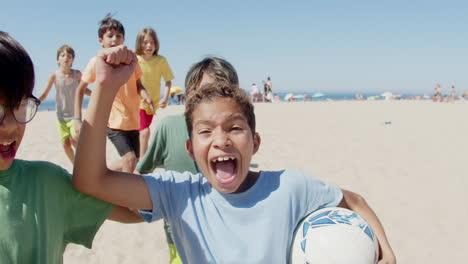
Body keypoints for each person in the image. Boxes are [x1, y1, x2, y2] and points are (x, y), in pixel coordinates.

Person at [73, 46, 396, 263]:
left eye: (234, 128)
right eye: (206, 129)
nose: (221, 140)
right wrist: (104, 87)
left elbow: (355, 202)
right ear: (190, 144)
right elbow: (90, 180)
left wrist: (388, 255)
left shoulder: (290, 188)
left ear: (255, 142)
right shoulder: (178, 193)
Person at [0, 32, 142, 264]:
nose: (10, 127)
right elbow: (49, 92)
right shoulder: (55, 76)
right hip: (62, 116)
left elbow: (136, 212)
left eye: (20, 105)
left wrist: (105, 87)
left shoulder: (47, 183)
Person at [136, 56, 238, 263]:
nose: (214, 102)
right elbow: (142, 171)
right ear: (189, 96)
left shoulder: (237, 134)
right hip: (181, 238)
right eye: (205, 94)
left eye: (223, 93)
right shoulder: (169, 127)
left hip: (226, 235)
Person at [73, 15, 153, 173]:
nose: (115, 39)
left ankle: (104, 173)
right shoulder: (97, 62)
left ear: (124, 39)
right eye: (110, 36)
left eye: (119, 36)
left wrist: (146, 96)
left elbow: (138, 84)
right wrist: (77, 119)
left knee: (133, 160)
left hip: (133, 121)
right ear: (100, 40)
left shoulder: (132, 59)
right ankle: (123, 195)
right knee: (129, 159)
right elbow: (80, 88)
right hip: (113, 123)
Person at [38, 45, 91, 164]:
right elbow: (45, 94)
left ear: (73, 59)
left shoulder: (77, 74)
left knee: (75, 140)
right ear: (58, 59)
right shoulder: (54, 76)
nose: (66, 58)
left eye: (69, 56)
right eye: (63, 55)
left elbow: (84, 89)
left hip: (74, 115)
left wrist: (95, 94)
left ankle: (84, 163)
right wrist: (36, 101)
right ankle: (75, 165)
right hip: (60, 116)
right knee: (65, 144)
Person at [135, 27, 174, 158]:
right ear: (139, 43)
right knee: (144, 132)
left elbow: (168, 81)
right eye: (145, 42)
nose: (149, 45)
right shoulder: (135, 59)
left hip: (153, 105)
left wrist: (165, 98)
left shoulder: (161, 61)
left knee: (142, 134)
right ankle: (141, 164)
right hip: (136, 103)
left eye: (152, 42)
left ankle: (139, 160)